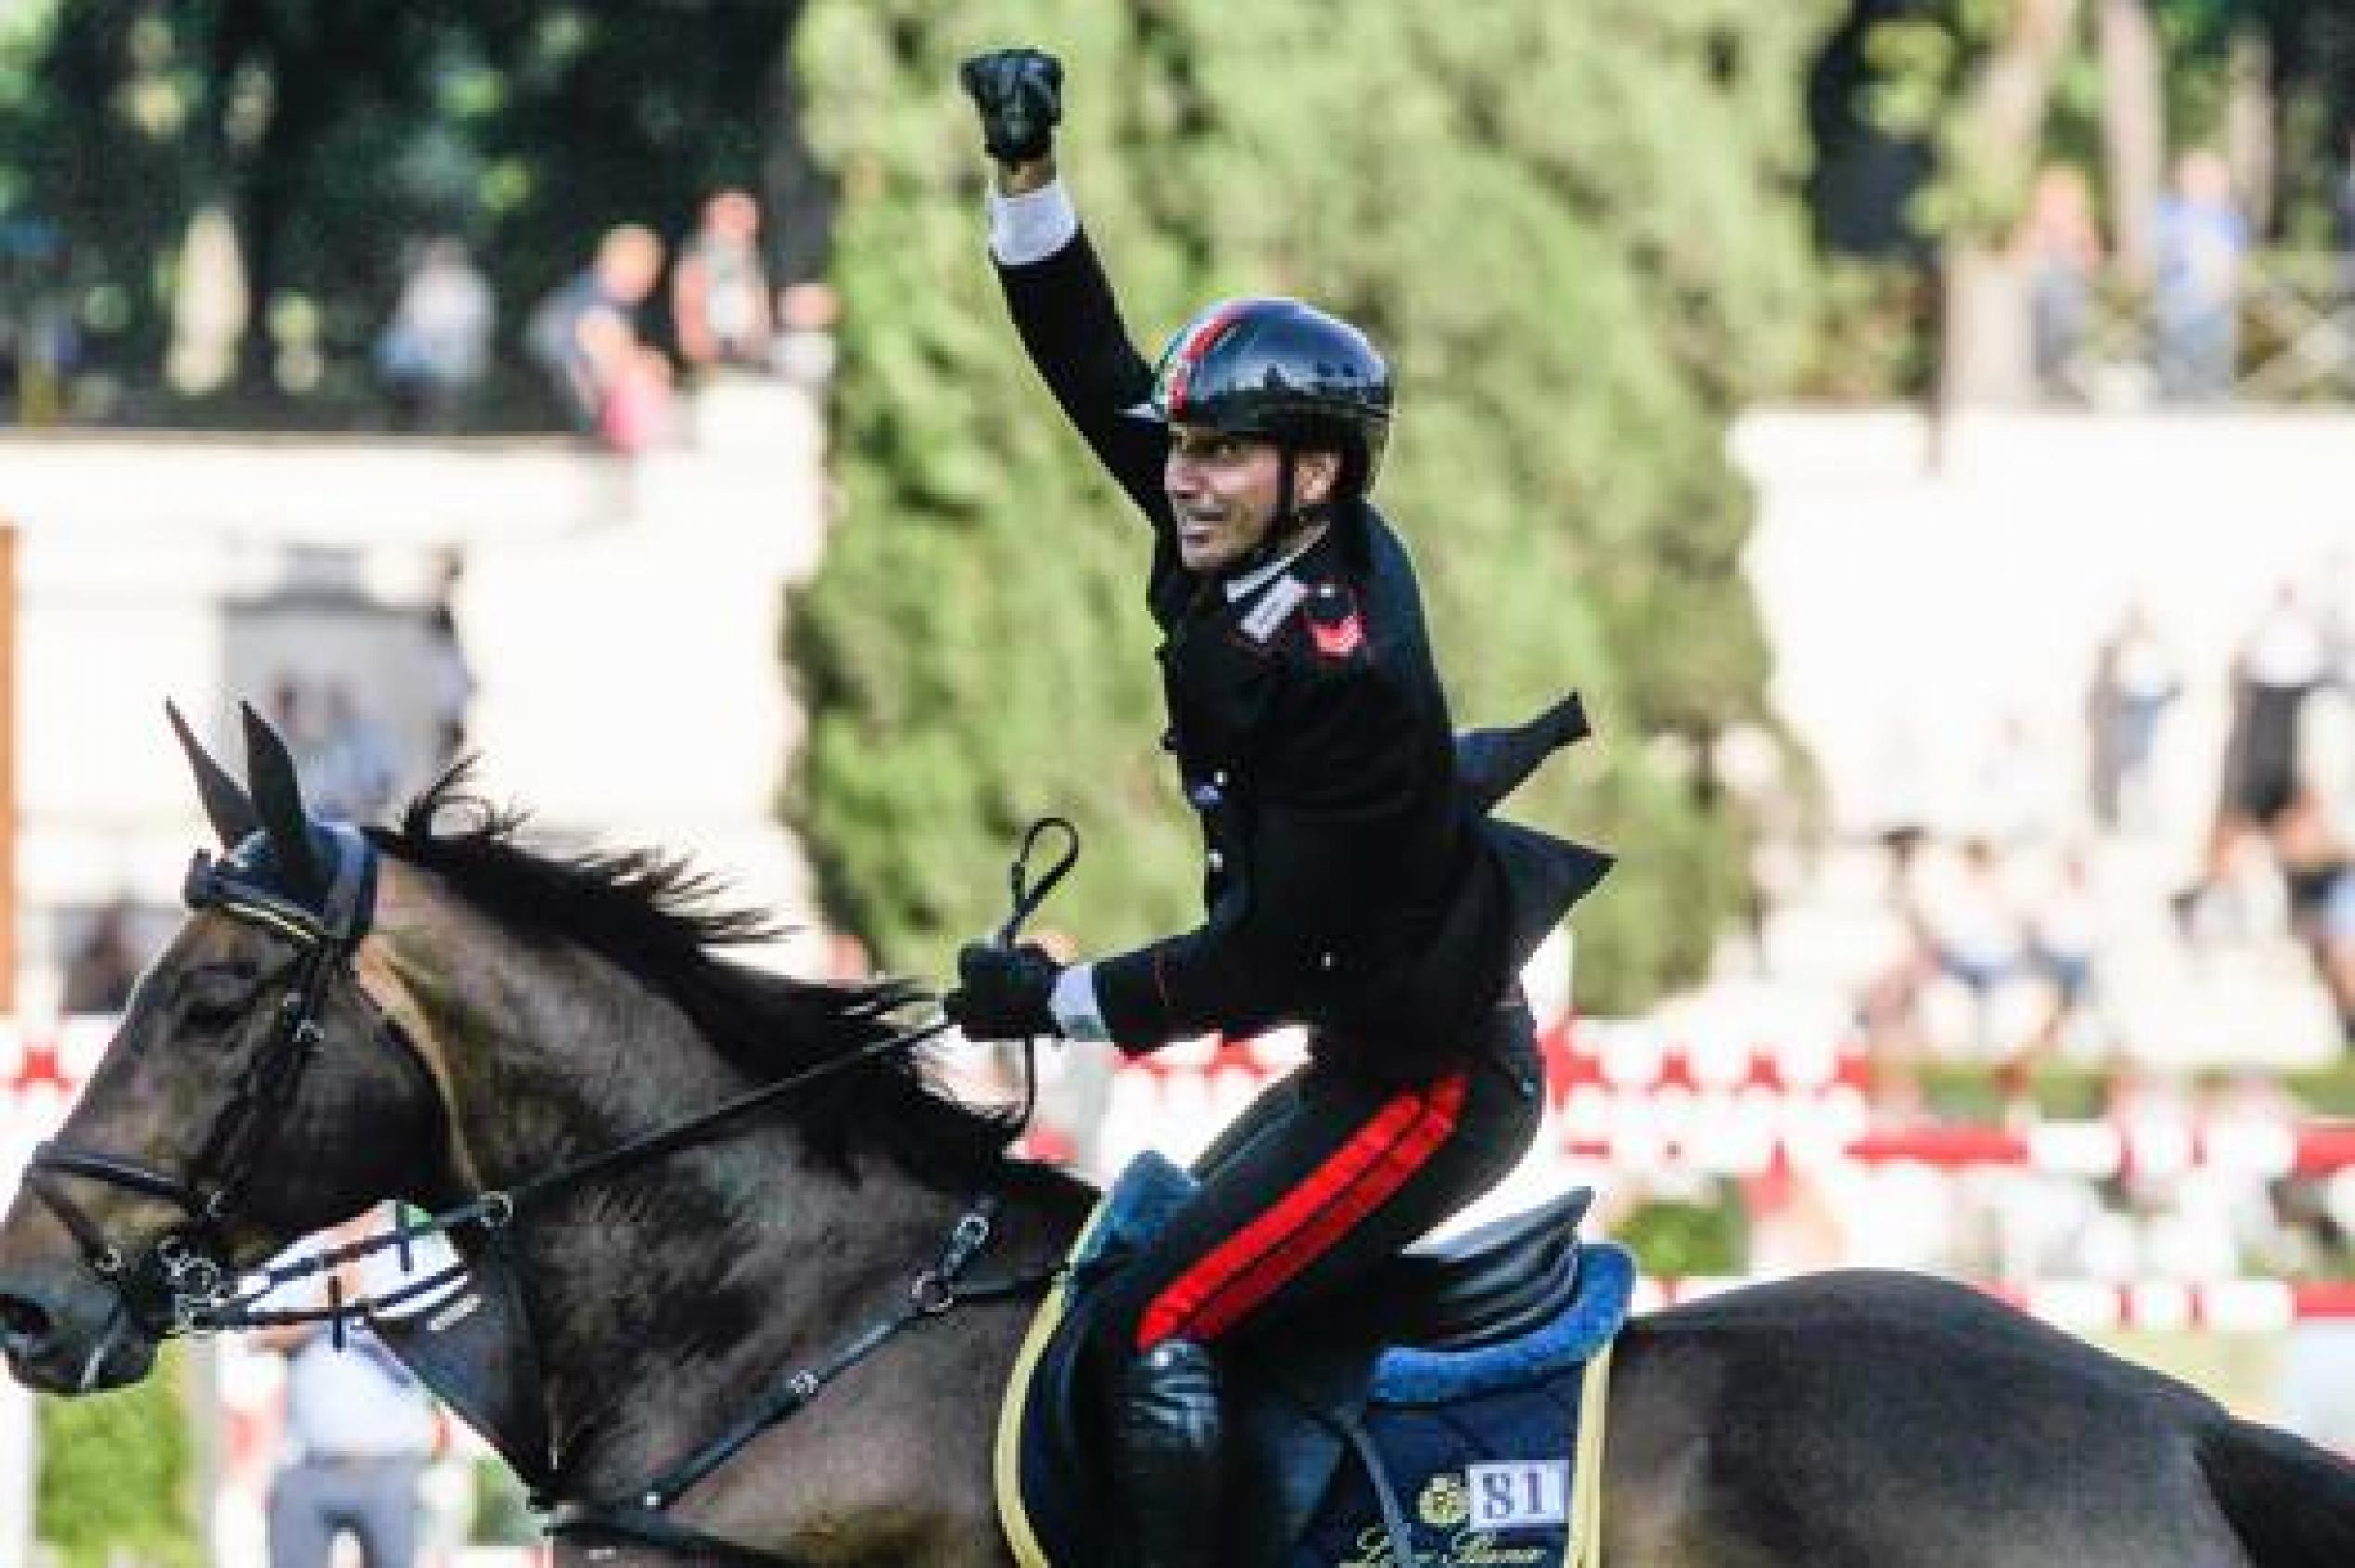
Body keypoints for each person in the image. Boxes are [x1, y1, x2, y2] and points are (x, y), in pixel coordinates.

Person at [944, 47, 1608, 1567]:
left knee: (1157, 1323)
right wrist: (1028, 175)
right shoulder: (1254, 534)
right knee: (1121, 1280)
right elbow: (1090, 364)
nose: (1181, 476)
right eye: (1182, 446)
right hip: (1361, 1050)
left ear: (1314, 473)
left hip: (1433, 1087)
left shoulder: (1345, 672)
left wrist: (1055, 1001)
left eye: (1219, 451)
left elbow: (1258, 963)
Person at [255, 1217, 443, 1568]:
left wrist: (373, 1313)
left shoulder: (413, 1251)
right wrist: (326, 1300)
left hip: (392, 1462)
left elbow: (441, 1341)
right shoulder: (296, 1248)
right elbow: (258, 1335)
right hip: (306, 1462)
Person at [525, 223, 665, 434]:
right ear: (609, 260)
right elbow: (602, 365)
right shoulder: (593, 306)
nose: (648, 281)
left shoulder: (607, 300)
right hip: (559, 422)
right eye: (643, 268)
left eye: (652, 271)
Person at [2152, 149, 2248, 402]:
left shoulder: (2229, 218)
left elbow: (2234, 263)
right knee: (2177, 375)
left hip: (2218, 308)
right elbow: (2164, 254)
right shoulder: (2170, 212)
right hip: (2181, 308)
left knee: (2216, 374)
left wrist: (2232, 295)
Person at [374, 239, 493, 432]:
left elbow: (475, 328)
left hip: (455, 355)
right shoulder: (421, 284)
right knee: (394, 353)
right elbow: (404, 321)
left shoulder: (471, 288)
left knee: (436, 378)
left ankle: (433, 422)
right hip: (419, 358)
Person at [671, 188, 774, 374]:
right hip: (708, 356)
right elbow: (689, 309)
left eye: (747, 219)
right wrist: (703, 351)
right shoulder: (696, 257)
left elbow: (761, 307)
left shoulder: (751, 260)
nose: (741, 223)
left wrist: (756, 343)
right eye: (733, 216)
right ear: (711, 219)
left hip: (748, 356)